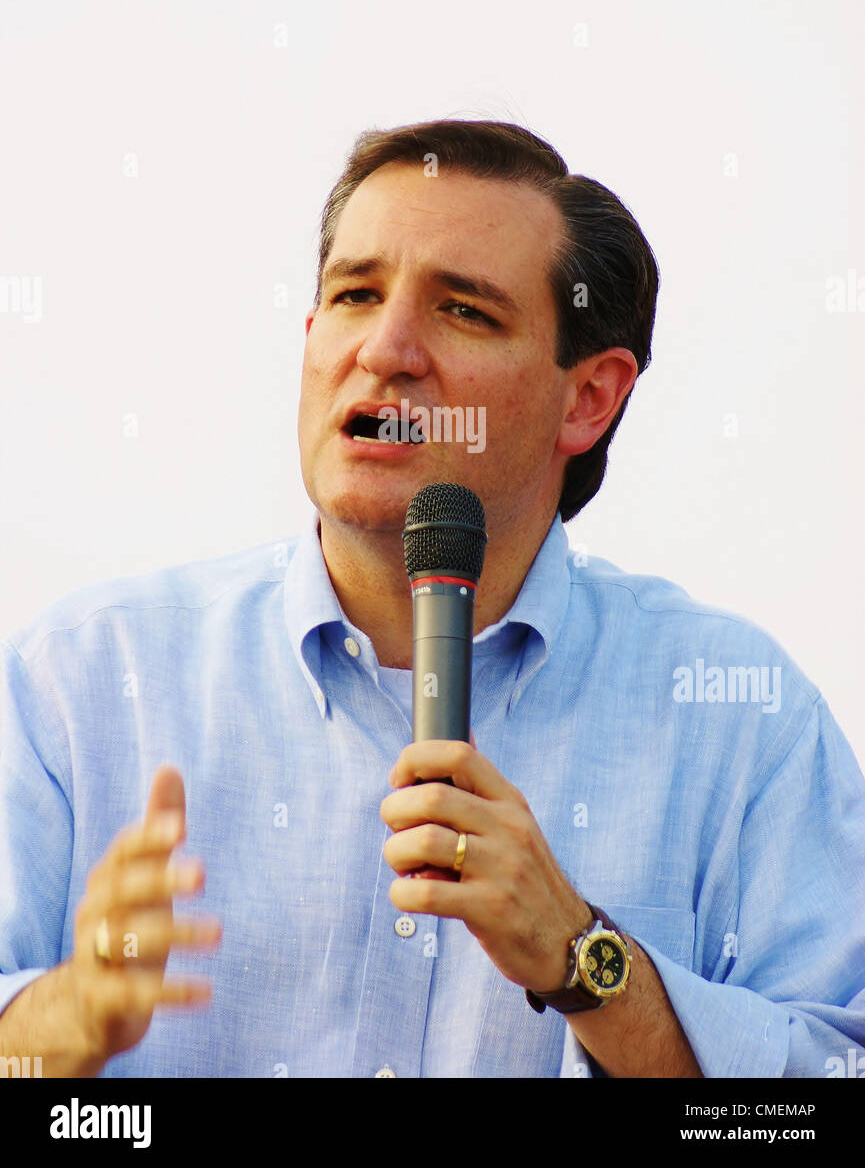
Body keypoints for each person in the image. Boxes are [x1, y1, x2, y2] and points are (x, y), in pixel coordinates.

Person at [1, 119, 864, 1079]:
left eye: (463, 311)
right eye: (354, 295)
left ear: (587, 398)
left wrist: (589, 963)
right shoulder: (77, 684)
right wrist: (61, 1023)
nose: (385, 348)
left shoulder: (739, 717)